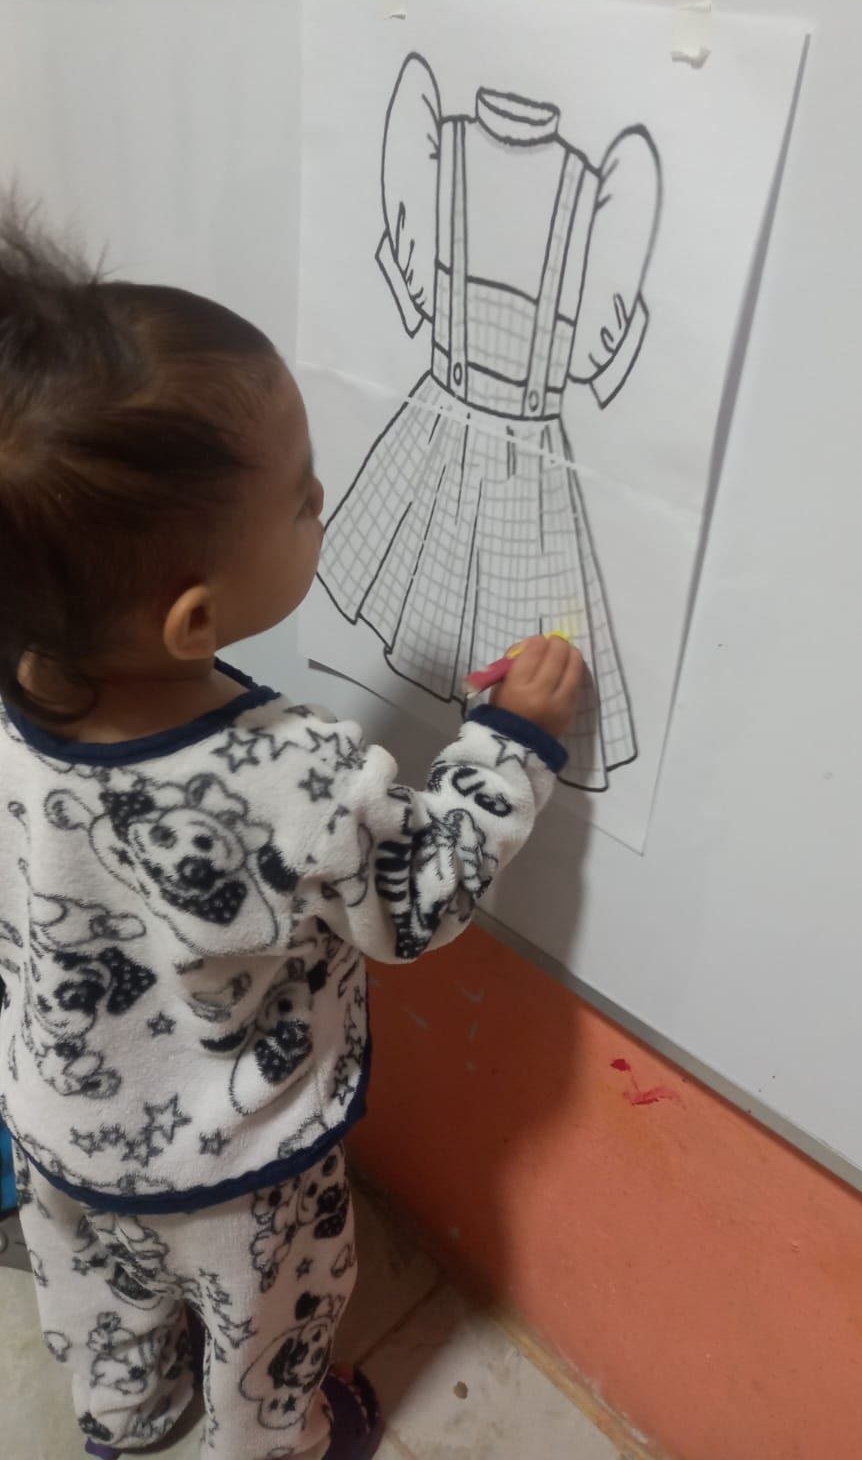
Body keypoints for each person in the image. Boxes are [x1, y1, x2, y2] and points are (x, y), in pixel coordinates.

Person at [0, 213, 583, 1460]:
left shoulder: (17, 700)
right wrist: (512, 743)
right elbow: (411, 902)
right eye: (306, 496)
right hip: (241, 1171)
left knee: (103, 1308)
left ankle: (126, 1425)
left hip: (60, 1131)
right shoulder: (293, 768)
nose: (325, 500)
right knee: (269, 1334)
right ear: (194, 617)